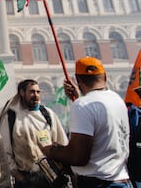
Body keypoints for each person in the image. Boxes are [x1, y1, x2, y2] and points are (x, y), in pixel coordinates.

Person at [42, 57, 132, 188]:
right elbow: (99, 118)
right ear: (105, 77)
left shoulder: (83, 105)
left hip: (98, 183)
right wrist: (78, 98)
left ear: (78, 80)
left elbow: (78, 157)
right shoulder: (116, 99)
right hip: (122, 180)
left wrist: (51, 150)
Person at [0, 79, 69, 188]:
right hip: (26, 178)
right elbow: (4, 150)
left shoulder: (48, 114)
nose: (35, 95)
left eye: (38, 92)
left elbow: (61, 142)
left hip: (52, 177)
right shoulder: (11, 117)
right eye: (31, 92)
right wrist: (19, 177)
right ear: (22, 93)